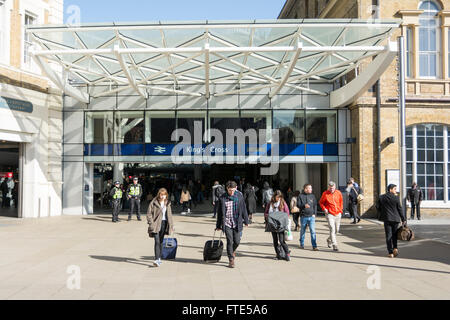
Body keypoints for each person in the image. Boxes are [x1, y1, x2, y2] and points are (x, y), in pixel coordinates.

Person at [215, 180, 249, 268]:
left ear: (236, 188)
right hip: (227, 223)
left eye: (233, 190)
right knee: (229, 241)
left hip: (237, 222)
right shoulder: (223, 198)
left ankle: (232, 251)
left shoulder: (239, 197)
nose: (231, 192)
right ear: (227, 189)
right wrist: (218, 225)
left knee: (237, 241)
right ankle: (231, 259)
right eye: (230, 190)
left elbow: (244, 209)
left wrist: (246, 220)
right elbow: (220, 213)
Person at [376, 184, 406, 258]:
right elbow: (400, 209)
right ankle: (395, 248)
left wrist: (383, 211)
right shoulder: (396, 198)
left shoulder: (381, 197)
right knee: (394, 234)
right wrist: (403, 219)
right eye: (395, 189)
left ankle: (390, 252)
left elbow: (377, 207)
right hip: (395, 219)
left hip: (387, 219)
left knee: (388, 235)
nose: (396, 190)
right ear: (390, 189)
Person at [147, 188, 174, 267]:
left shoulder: (167, 203)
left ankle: (159, 258)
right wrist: (151, 223)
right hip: (155, 224)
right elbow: (149, 213)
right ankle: (157, 259)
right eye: (161, 195)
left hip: (164, 223)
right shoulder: (154, 202)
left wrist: (171, 225)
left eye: (164, 195)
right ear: (159, 194)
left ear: (166, 195)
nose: (163, 196)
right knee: (157, 241)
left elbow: (170, 215)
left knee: (161, 241)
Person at [264, 190, 291, 261]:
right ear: (274, 196)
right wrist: (268, 217)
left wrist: (282, 219)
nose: (278, 198)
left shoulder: (283, 203)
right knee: (275, 241)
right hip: (272, 224)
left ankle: (287, 253)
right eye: (277, 197)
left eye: (280, 197)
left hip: (280, 224)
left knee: (281, 241)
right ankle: (278, 254)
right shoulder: (270, 203)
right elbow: (266, 212)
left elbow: (287, 213)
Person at [319, 181, 343, 252]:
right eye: (330, 187)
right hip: (330, 214)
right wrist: (324, 209)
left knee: (336, 230)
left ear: (335, 187)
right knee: (332, 229)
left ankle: (329, 239)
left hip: (338, 213)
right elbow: (321, 202)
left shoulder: (338, 193)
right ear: (328, 187)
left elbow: (341, 202)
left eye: (332, 188)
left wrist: (341, 210)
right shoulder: (325, 194)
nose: (331, 189)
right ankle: (334, 245)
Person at [297, 184, 318, 251]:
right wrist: (304, 205)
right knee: (303, 231)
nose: (311, 189)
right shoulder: (300, 196)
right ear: (305, 189)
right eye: (309, 188)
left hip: (311, 217)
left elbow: (315, 205)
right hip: (303, 216)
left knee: (313, 231)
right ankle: (302, 244)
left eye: (311, 188)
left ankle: (314, 246)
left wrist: (314, 214)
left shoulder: (312, 196)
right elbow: (298, 205)